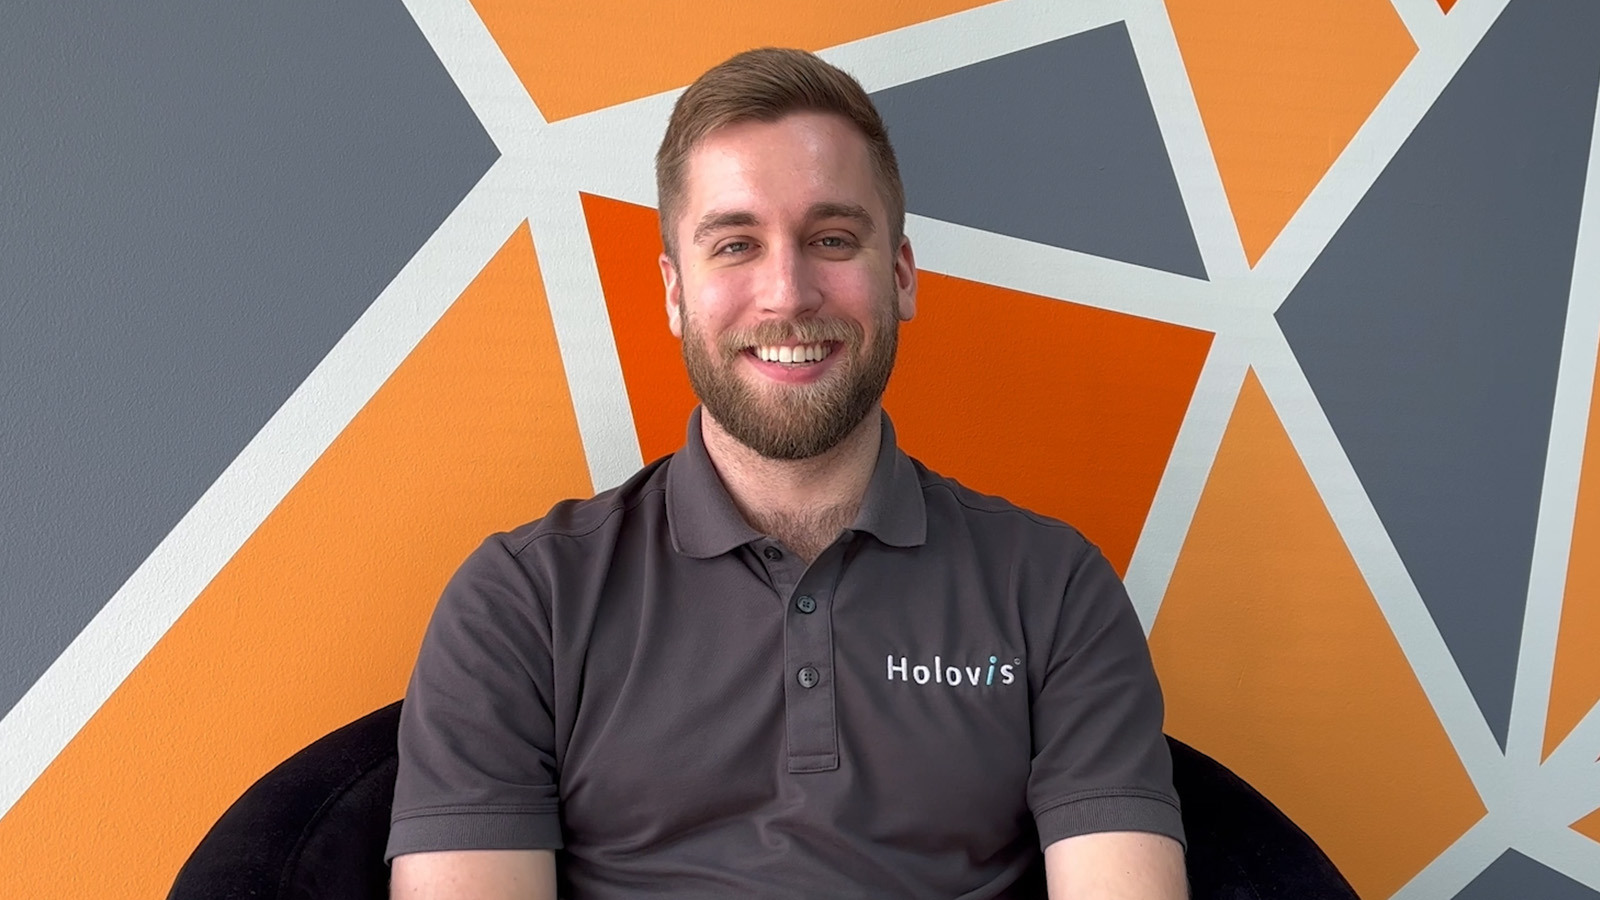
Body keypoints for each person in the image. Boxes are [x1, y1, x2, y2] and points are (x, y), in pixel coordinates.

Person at [387, 47, 1186, 899]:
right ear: (672, 293)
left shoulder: (1053, 588)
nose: (787, 293)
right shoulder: (522, 602)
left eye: (831, 239)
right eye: (735, 244)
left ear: (903, 275)